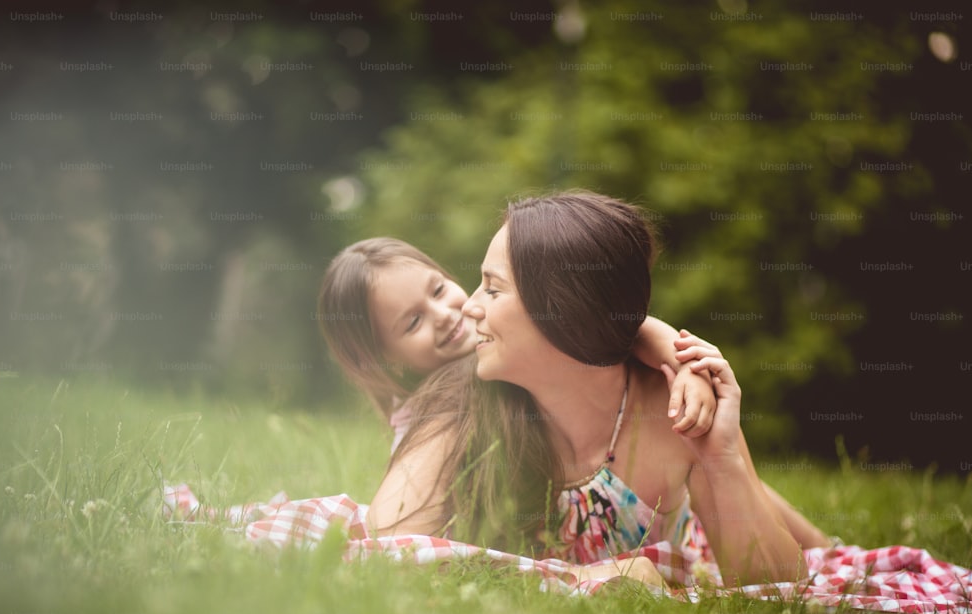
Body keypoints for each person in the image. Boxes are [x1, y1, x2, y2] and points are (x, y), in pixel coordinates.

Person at [368, 191, 830, 587]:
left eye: (492, 289)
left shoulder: (674, 411)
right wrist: (590, 579)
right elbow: (387, 553)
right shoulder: (463, 405)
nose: (468, 308)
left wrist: (723, 456)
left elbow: (779, 596)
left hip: (689, 531)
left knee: (817, 552)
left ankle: (827, 546)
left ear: (560, 312)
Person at [317, 237, 718, 455]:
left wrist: (683, 363)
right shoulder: (423, 426)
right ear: (385, 361)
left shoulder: (501, 332)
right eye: (413, 321)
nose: (443, 314)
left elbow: (615, 327)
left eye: (438, 289)